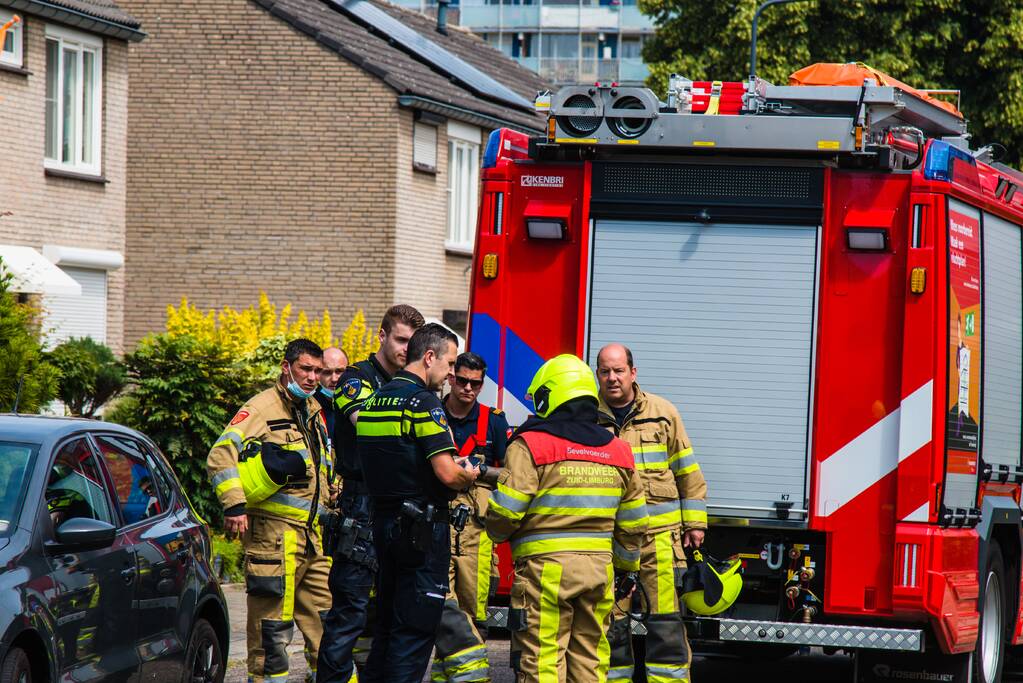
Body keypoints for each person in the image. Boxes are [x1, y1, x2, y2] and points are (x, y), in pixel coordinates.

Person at [485, 354, 648, 682]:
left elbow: (505, 512)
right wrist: (626, 570)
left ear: (551, 395)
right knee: (590, 660)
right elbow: (633, 524)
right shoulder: (619, 450)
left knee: (542, 659)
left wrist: (496, 532)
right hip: (599, 573)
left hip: (546, 573)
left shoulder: (531, 444)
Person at [358, 323, 481, 683]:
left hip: (382, 527)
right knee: (413, 633)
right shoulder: (423, 403)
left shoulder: (373, 401)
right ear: (429, 357)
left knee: (385, 631)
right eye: (450, 363)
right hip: (421, 533)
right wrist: (468, 475)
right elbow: (447, 473)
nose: (452, 373)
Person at [207, 338, 333, 682]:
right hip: (273, 539)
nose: (312, 378)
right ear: (286, 367)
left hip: (312, 540)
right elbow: (220, 454)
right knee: (271, 634)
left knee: (329, 627)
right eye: (306, 369)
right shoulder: (262, 407)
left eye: (318, 371)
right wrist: (234, 506)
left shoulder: (312, 409)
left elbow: (319, 466)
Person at [317, 304, 425, 682]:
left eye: (413, 343)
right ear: (381, 336)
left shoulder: (412, 385)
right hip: (361, 503)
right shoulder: (355, 378)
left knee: (390, 612)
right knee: (349, 611)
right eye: (401, 340)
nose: (407, 349)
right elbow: (368, 424)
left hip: (398, 505)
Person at [596, 343, 708, 683]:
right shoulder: (587, 416)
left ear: (633, 372)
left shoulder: (663, 413)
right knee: (611, 625)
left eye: (619, 370)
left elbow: (687, 470)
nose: (612, 378)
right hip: (608, 542)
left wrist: (695, 524)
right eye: (605, 371)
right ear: (597, 374)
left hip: (659, 541)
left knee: (666, 624)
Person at [430, 352, 509, 683]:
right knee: (439, 607)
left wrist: (480, 470)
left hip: (477, 534)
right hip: (437, 525)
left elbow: (510, 475)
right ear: (451, 378)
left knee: (474, 614)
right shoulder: (431, 414)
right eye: (461, 380)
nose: (467, 388)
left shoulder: (494, 422)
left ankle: (464, 675)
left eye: (475, 384)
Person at [315, 346, 349, 437]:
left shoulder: (360, 403)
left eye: (339, 371)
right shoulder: (309, 405)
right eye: (327, 372)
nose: (334, 379)